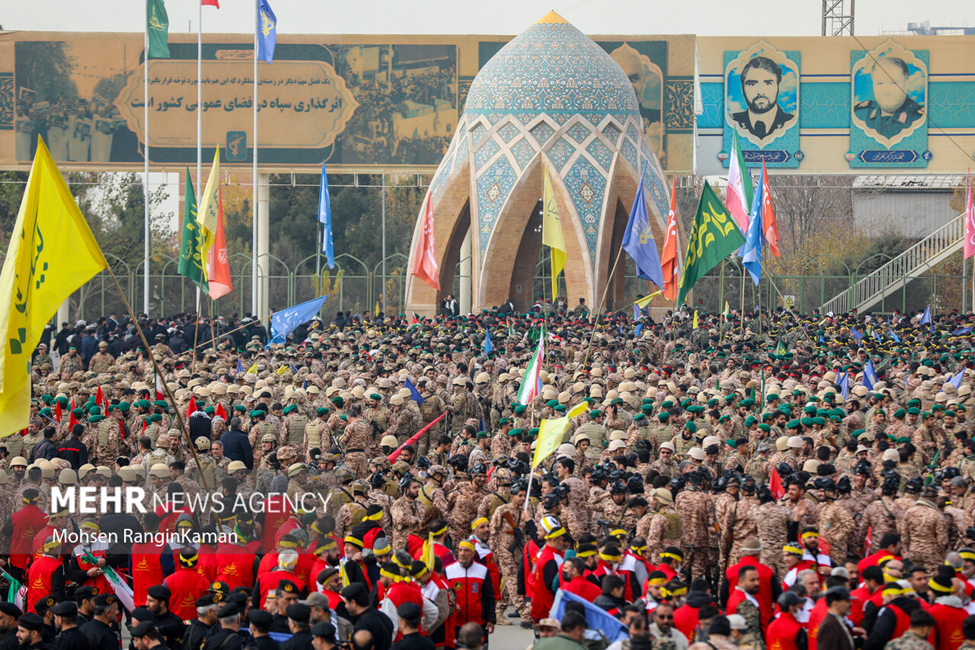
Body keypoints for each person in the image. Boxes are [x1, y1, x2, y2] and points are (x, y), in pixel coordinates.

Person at [854, 56, 925, 140]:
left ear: (906, 83)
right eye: (879, 83)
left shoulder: (920, 118)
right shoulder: (859, 114)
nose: (886, 91)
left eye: (894, 83)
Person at [731, 56, 794, 140]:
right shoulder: (732, 122)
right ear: (742, 89)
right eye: (752, 84)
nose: (760, 92)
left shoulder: (791, 122)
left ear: (778, 87)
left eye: (768, 83)